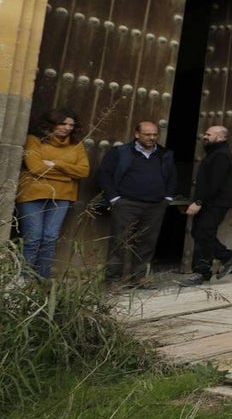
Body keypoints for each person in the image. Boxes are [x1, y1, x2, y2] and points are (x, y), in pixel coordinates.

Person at [97, 120, 177, 286]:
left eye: (155, 134)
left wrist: (167, 198)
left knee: (147, 242)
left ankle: (140, 278)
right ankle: (112, 280)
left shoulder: (164, 154)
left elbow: (172, 176)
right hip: (127, 203)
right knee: (119, 241)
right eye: (147, 134)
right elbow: (104, 174)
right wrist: (114, 198)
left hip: (155, 205)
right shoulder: (120, 152)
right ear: (137, 134)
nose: (152, 138)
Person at [15, 108, 90, 278]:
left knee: (49, 239)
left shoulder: (76, 145)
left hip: (62, 197)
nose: (67, 128)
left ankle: (42, 282)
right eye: (63, 123)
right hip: (32, 194)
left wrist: (56, 164)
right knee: (33, 239)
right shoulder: (34, 140)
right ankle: (24, 283)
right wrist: (67, 175)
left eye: (71, 125)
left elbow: (83, 171)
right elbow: (35, 168)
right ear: (51, 124)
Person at [178, 125, 232, 287]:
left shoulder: (221, 155)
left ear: (221, 137)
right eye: (205, 134)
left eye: (209, 134)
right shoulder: (214, 153)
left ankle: (211, 266)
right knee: (200, 233)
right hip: (211, 202)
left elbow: (215, 183)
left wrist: (199, 202)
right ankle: (209, 268)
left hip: (215, 203)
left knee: (203, 233)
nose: (205, 136)